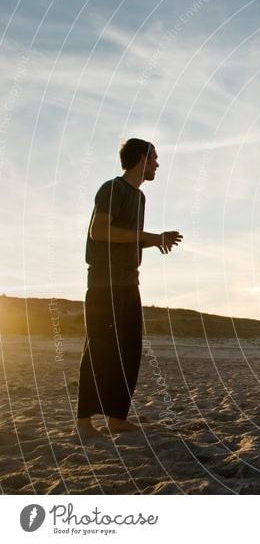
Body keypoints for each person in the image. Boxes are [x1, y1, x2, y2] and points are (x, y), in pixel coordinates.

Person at [76, 139, 182, 437]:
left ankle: (116, 418)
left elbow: (128, 238)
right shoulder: (112, 188)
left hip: (128, 282)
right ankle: (84, 422)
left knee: (129, 350)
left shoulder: (140, 198)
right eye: (154, 159)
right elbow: (100, 231)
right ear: (140, 159)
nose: (157, 165)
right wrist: (150, 235)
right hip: (103, 283)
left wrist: (156, 239)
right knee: (99, 349)